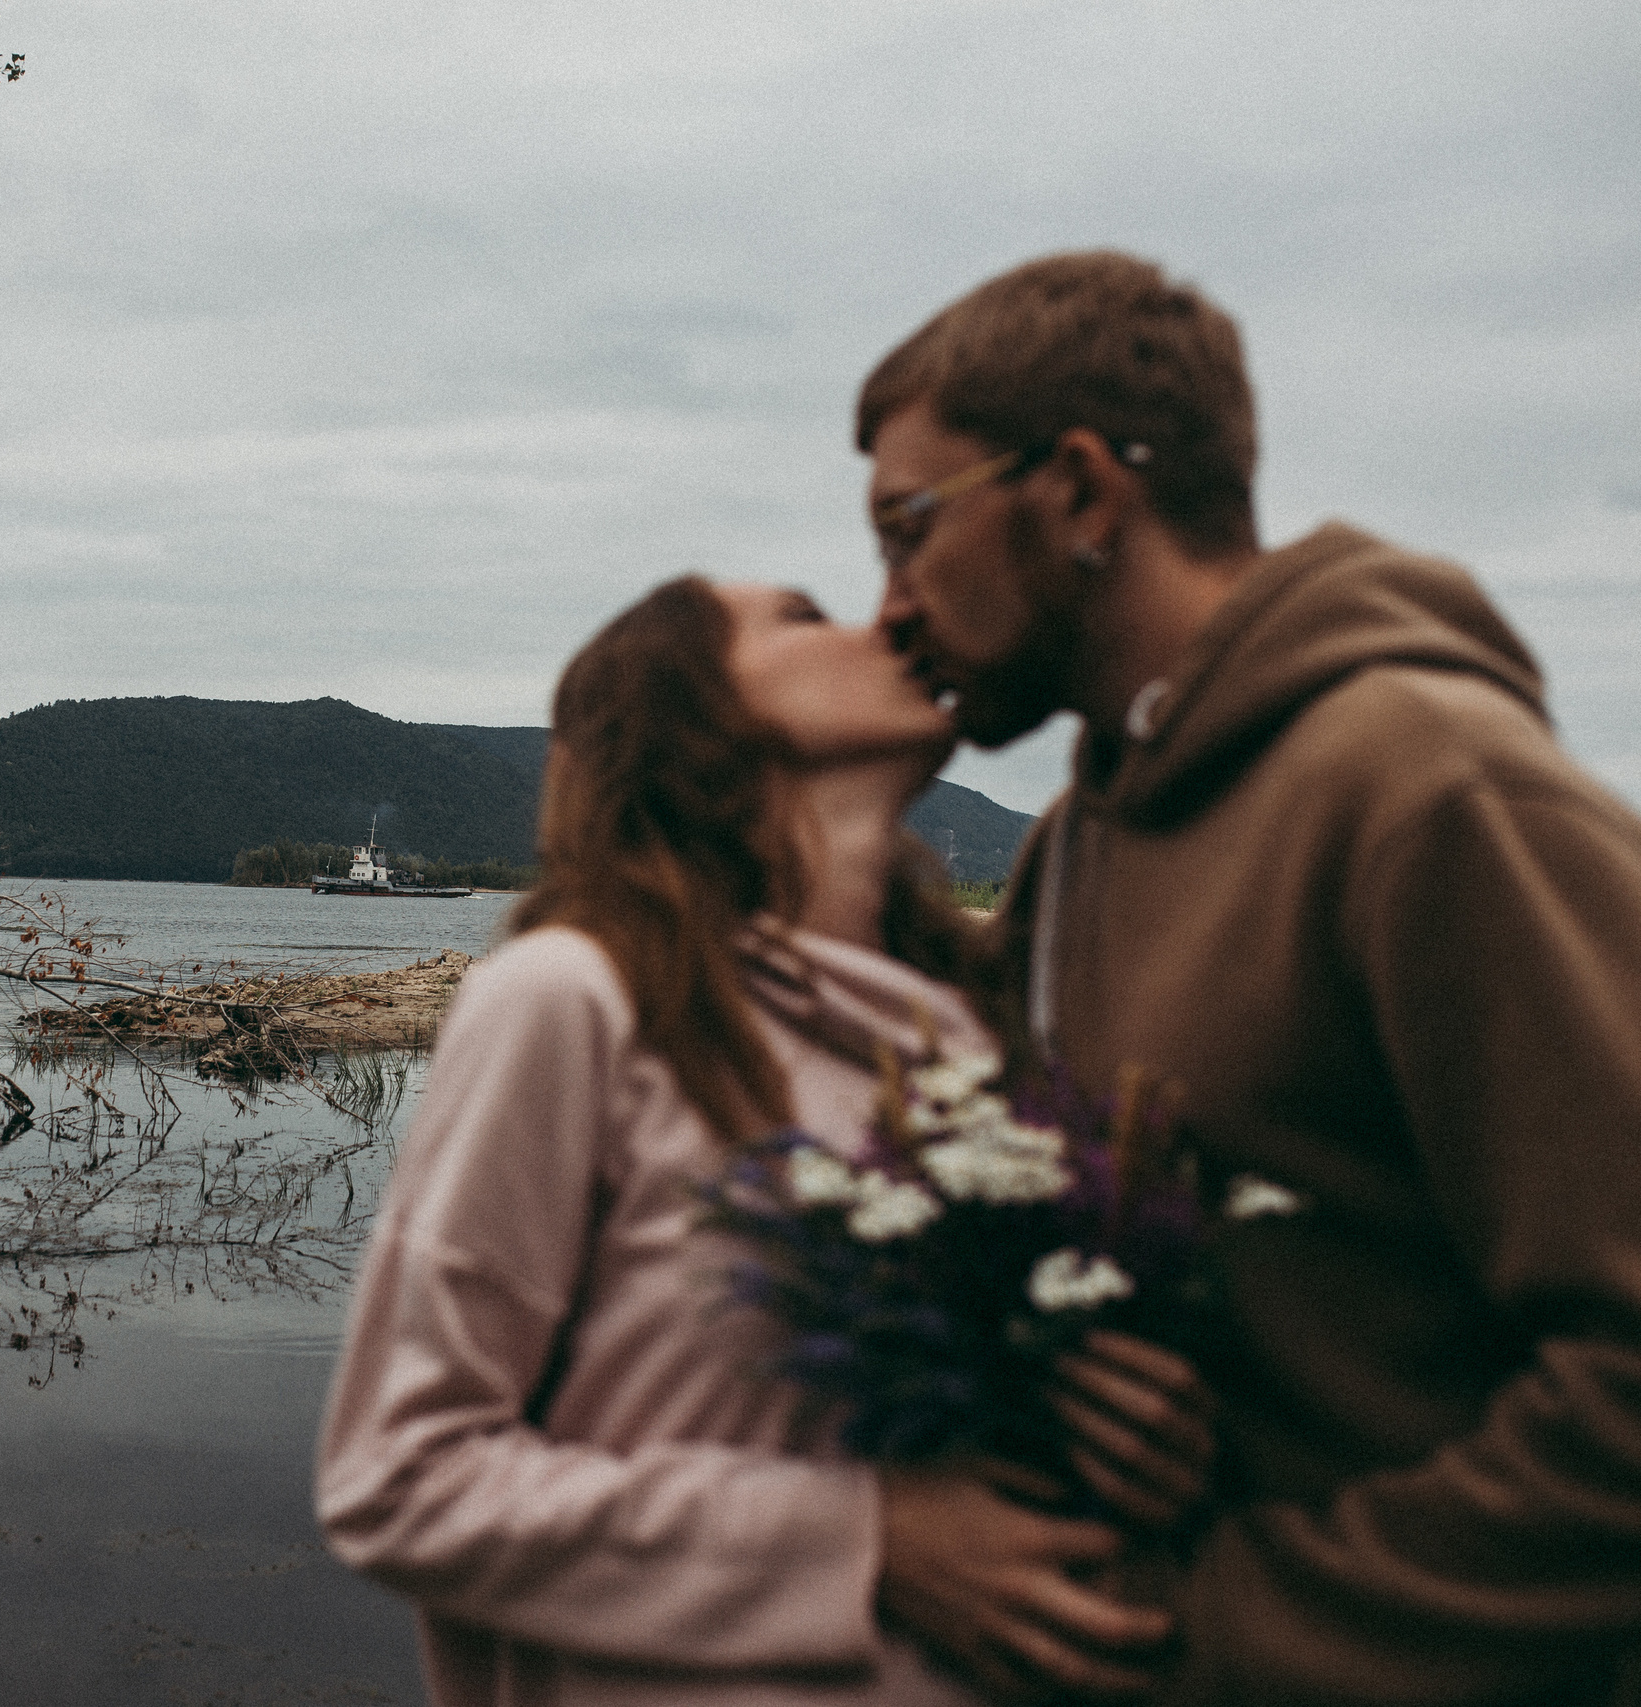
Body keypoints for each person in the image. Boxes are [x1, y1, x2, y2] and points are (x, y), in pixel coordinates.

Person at [861, 251, 1641, 1705]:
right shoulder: (1076, 842)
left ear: (1081, 492)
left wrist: (1217, 1623)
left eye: (908, 526)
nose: (890, 605)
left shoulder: (1430, 789)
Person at [316, 575, 1213, 1705]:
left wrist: (1131, 1430)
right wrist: (864, 1543)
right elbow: (400, 1478)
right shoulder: (576, 997)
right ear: (694, 716)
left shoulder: (976, 1035)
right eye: (804, 616)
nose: (889, 618)